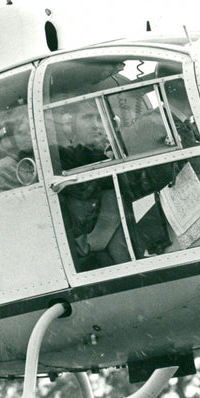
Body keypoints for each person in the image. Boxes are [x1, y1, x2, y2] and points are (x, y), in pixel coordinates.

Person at [58, 102, 131, 271]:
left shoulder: (109, 152)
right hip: (87, 243)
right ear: (70, 127)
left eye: (99, 118)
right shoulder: (63, 157)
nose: (96, 125)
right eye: (87, 117)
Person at [0, 106, 38, 194]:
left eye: (31, 130)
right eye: (21, 133)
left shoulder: (45, 156)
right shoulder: (2, 169)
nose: (30, 136)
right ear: (12, 138)